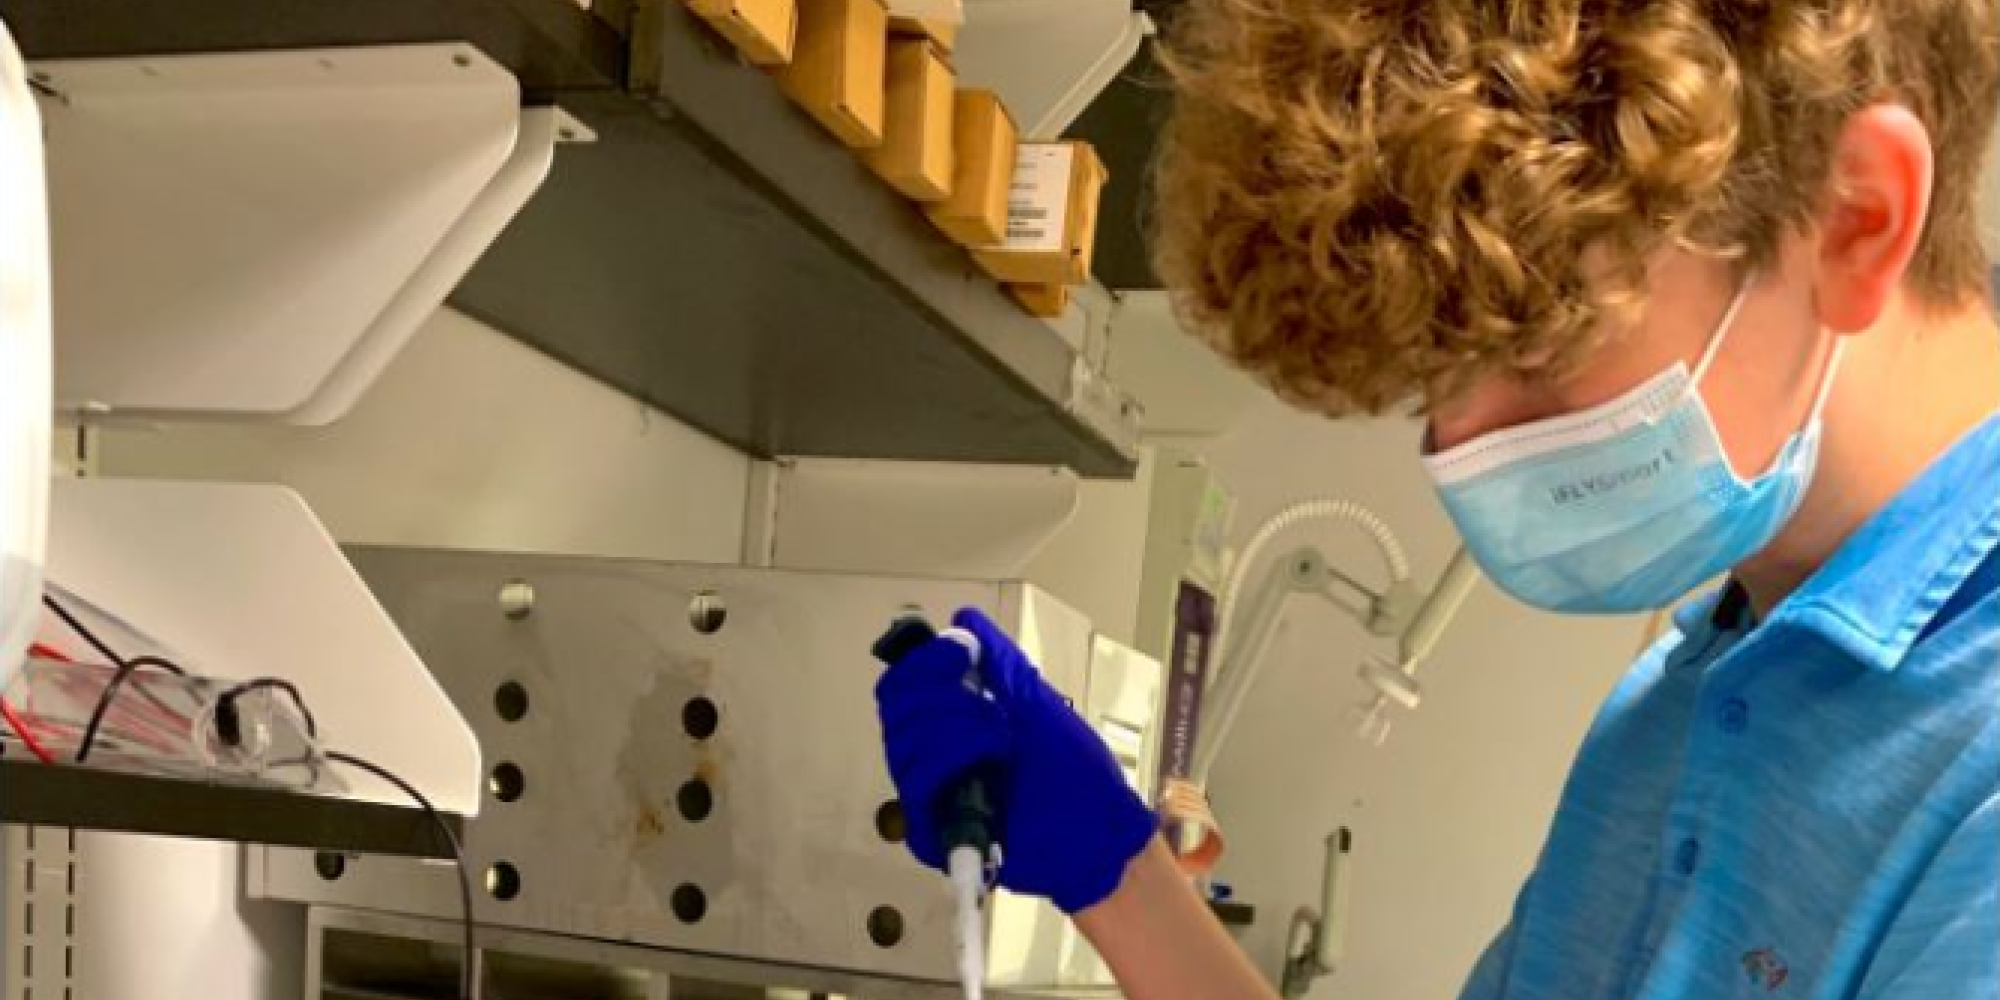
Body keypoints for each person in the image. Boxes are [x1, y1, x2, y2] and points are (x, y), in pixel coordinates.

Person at [873, 0, 2000, 997]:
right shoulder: (1696, 688)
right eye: (1432, 381)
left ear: (1856, 214)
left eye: (1543, 345)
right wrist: (1116, 876)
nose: (1459, 446)